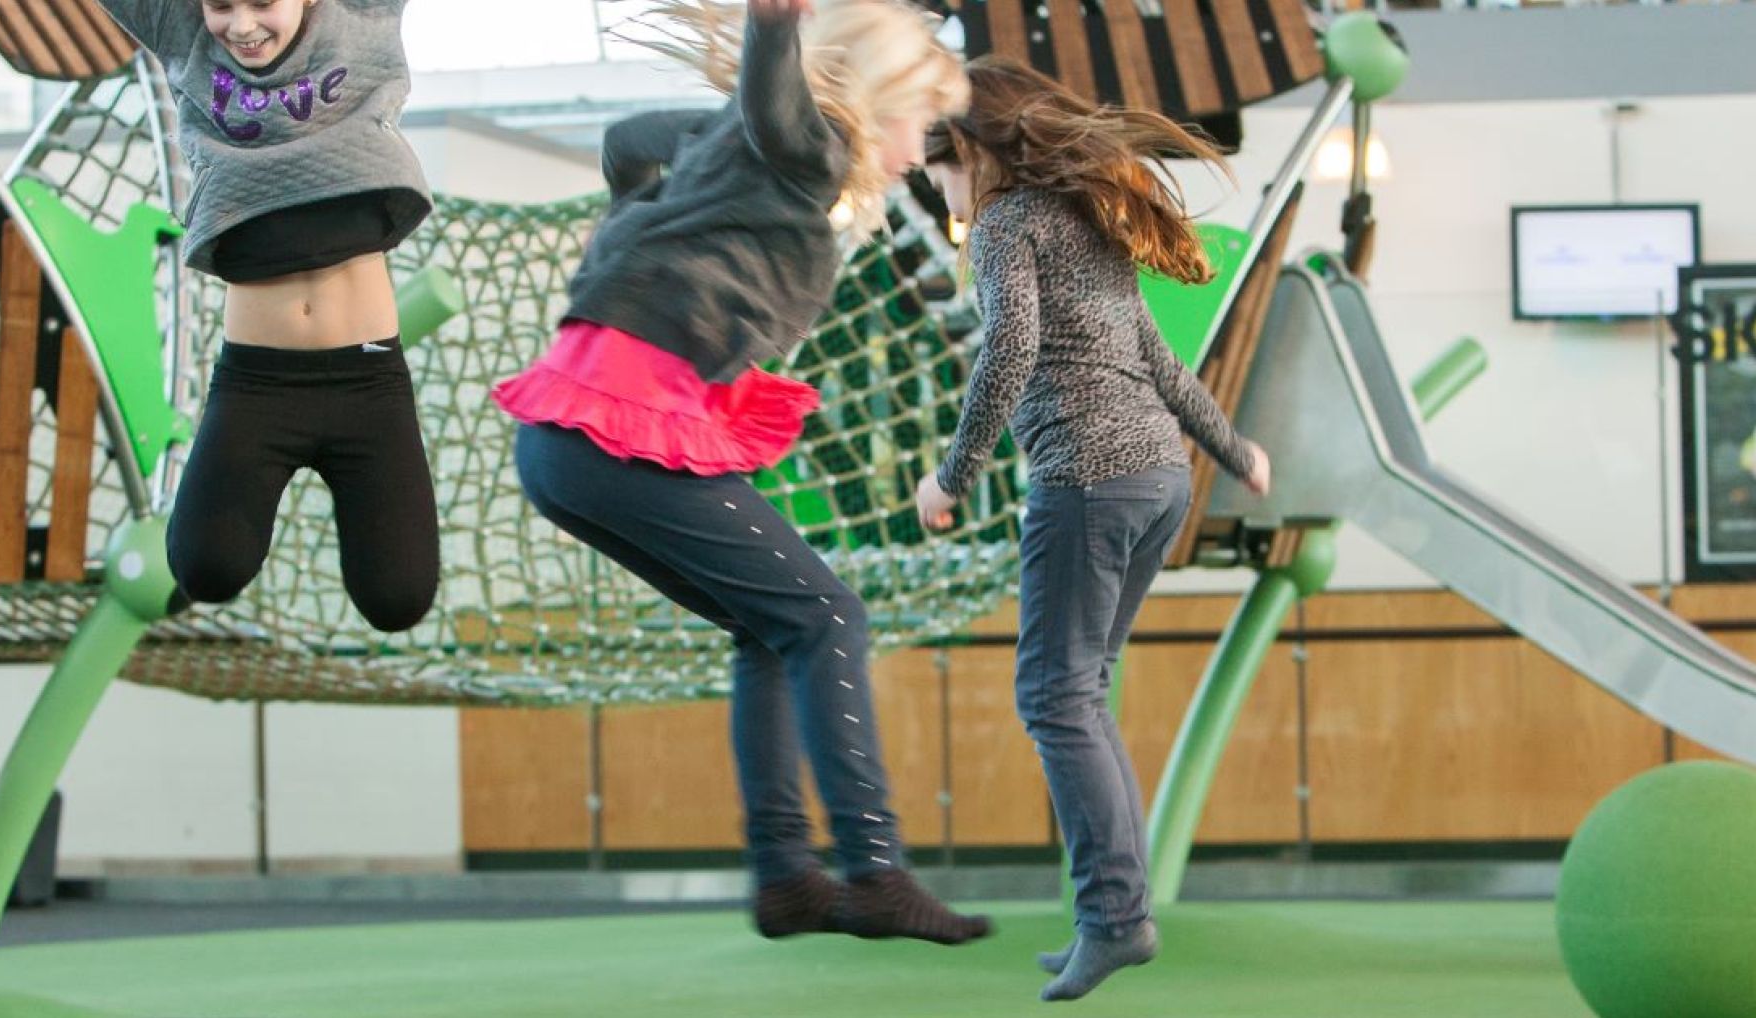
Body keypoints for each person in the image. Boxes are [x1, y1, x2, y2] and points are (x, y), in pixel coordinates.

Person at [491, 0, 987, 945]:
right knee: (829, 615)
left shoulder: (749, 153)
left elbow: (628, 138)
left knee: (774, 631)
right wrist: (771, 28)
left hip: (569, 440)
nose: (921, 152)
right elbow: (771, 110)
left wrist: (630, 227)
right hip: (608, 435)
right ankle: (874, 871)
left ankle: (786, 876)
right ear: (871, 102)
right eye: (917, 122)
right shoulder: (801, 150)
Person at [915, 56, 1271, 1001]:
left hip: (1087, 480)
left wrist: (950, 477)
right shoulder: (1086, 219)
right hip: (1160, 478)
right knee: (1083, 690)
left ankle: (1116, 919)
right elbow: (1157, 355)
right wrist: (1232, 449)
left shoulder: (1004, 223)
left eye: (939, 174)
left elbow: (1012, 347)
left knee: (1054, 698)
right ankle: (1118, 912)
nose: (943, 195)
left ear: (968, 151)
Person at [92, 0, 439, 627]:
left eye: (262, 3)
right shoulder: (186, 37)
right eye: (221, 6)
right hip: (258, 385)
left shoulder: (361, 18)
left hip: (367, 380)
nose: (242, 26)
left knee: (398, 599)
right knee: (207, 566)